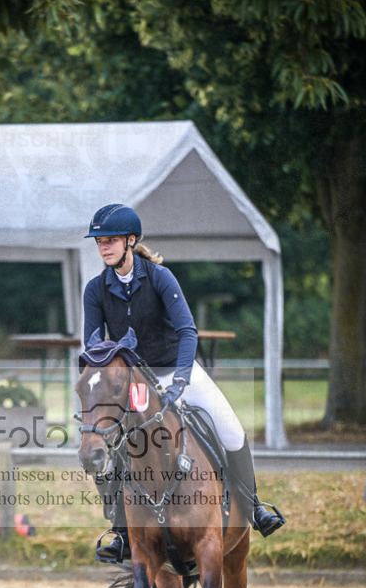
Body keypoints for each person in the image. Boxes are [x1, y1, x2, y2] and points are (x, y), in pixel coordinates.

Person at [82, 203, 286, 563]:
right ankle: (119, 530)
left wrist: (180, 379)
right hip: (134, 381)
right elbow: (94, 347)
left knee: (232, 430)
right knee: (109, 447)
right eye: (99, 242)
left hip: (177, 369)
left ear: (131, 241)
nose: (103, 247)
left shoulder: (160, 278)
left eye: (110, 240)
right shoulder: (95, 290)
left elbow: (187, 331)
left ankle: (254, 507)